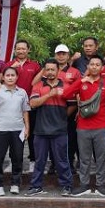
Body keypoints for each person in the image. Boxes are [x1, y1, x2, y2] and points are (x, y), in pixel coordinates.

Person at [64, 55, 105, 197]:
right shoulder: (82, 82)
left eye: (97, 65)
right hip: (83, 126)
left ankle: (100, 185)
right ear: (88, 67)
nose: (94, 67)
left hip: (102, 126)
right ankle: (84, 184)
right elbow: (66, 94)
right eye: (92, 64)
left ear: (102, 68)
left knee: (101, 158)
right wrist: (81, 81)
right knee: (84, 158)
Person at [27, 59, 73, 196]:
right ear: (44, 71)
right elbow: (33, 103)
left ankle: (67, 185)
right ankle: (36, 186)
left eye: (53, 69)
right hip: (41, 130)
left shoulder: (66, 85)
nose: (50, 72)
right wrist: (49, 94)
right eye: (48, 69)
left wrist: (63, 117)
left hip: (60, 129)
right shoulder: (38, 85)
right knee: (39, 160)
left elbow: (73, 104)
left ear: (58, 70)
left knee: (62, 160)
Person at [0, 66, 30, 197]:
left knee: (17, 157)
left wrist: (27, 127)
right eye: (8, 75)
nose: (10, 77)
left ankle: (15, 183)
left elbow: (25, 111)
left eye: (13, 75)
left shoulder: (22, 92)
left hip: (17, 129)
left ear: (17, 77)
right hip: (0, 129)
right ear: (3, 77)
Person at [5, 39, 41, 171]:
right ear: (15, 50)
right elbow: (1, 80)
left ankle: (33, 160)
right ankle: (13, 162)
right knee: (13, 134)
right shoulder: (9, 64)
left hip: (30, 105)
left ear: (28, 50)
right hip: (11, 105)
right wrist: (12, 69)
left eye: (23, 48)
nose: (21, 51)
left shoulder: (35, 65)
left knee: (31, 133)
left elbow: (39, 83)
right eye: (18, 48)